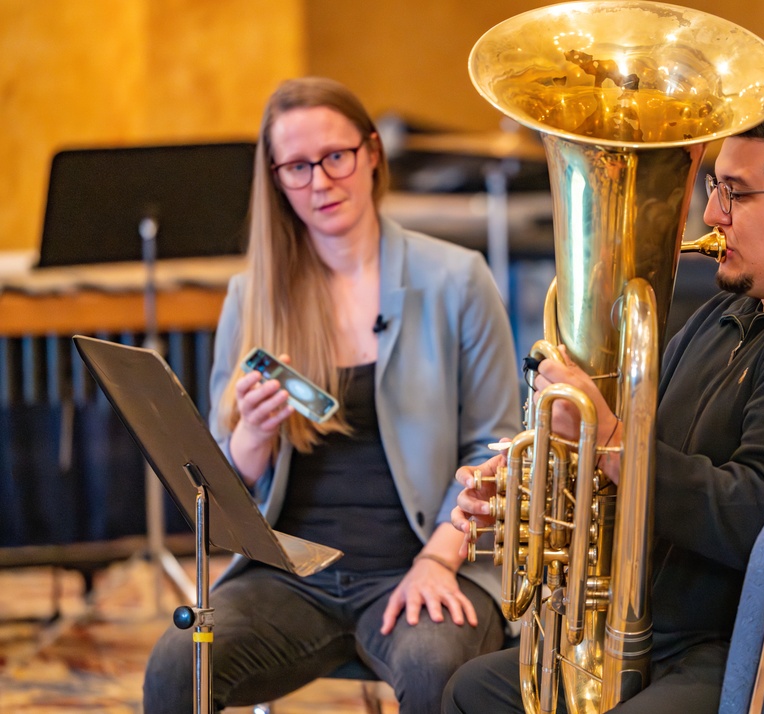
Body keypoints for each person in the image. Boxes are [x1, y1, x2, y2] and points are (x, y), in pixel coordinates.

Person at [444, 87, 764, 713]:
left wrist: (609, 442)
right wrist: (536, 482)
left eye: (735, 191)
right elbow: (655, 456)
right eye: (714, 185)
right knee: (473, 693)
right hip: (677, 624)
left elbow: (762, 517)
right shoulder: (731, 308)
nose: (711, 213)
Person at [142, 76, 522, 713]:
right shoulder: (251, 296)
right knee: (178, 665)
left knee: (436, 670)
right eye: (296, 166)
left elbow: (497, 446)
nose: (319, 181)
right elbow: (216, 484)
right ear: (275, 179)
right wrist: (251, 438)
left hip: (427, 561)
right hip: (291, 574)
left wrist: (438, 559)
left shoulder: (458, 279)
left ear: (372, 152)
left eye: (335, 157)